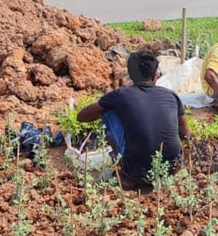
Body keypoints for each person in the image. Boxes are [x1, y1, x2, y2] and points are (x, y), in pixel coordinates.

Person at [77, 51, 190, 191]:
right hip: (172, 168)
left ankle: (126, 175)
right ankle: (167, 173)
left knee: (108, 113)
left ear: (130, 76)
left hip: (136, 171)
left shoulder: (120, 95)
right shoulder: (171, 96)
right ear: (155, 76)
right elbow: (185, 134)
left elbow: (81, 117)